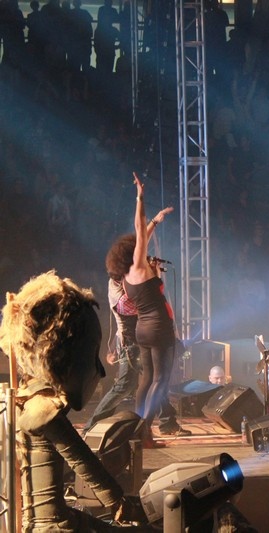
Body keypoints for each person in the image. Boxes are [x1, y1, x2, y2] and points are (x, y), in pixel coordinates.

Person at [0, 271, 146, 531]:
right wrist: (118, 502)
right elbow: (82, 461)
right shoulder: (41, 409)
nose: (98, 372)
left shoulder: (25, 398)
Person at [109, 172, 178, 447]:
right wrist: (140, 197)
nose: (143, 248)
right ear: (133, 254)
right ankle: (142, 431)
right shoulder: (138, 267)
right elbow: (139, 231)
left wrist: (156, 222)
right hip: (159, 329)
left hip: (143, 330)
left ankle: (142, 433)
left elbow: (142, 236)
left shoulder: (127, 275)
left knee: (147, 379)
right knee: (160, 381)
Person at [84, 274, 190, 437]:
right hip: (131, 344)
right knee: (125, 386)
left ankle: (167, 422)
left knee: (157, 381)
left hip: (141, 341)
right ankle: (91, 425)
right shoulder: (118, 289)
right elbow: (136, 306)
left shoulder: (126, 283)